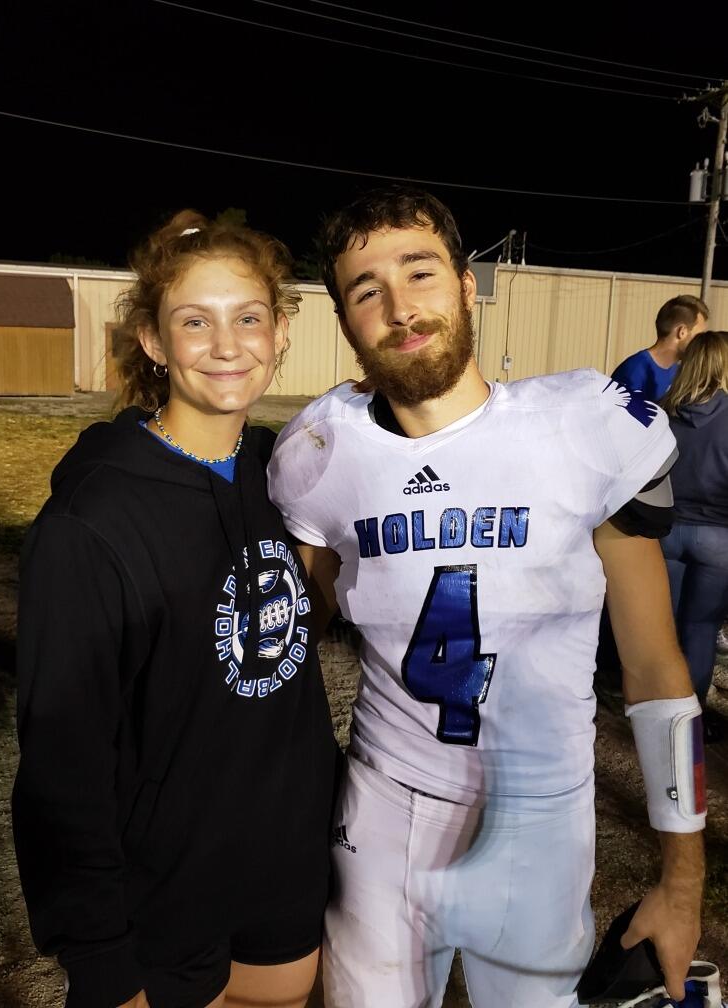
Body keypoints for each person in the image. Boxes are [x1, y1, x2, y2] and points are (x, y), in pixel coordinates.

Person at [267, 187, 706, 1008]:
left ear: (468, 285)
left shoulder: (584, 425)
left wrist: (681, 883)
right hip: (385, 810)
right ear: (346, 322)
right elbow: (283, 651)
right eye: (368, 291)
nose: (400, 307)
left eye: (420, 272)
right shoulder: (320, 452)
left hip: (543, 814)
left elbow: (652, 669)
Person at [12, 211, 337, 1008]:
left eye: (248, 317)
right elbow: (62, 764)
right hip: (157, 904)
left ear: (281, 330)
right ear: (155, 342)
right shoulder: (91, 523)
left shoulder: (283, 475)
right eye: (196, 321)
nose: (227, 346)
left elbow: (285, 642)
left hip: (283, 883)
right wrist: (100, 958)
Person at [660, 330, 728, 740]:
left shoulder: (662, 412)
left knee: (664, 630)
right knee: (700, 629)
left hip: (667, 532)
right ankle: (691, 722)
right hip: (718, 538)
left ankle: (661, 716)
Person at [611, 294, 709, 402]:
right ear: (682, 332)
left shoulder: (681, 372)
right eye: (699, 336)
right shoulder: (634, 371)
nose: (702, 343)